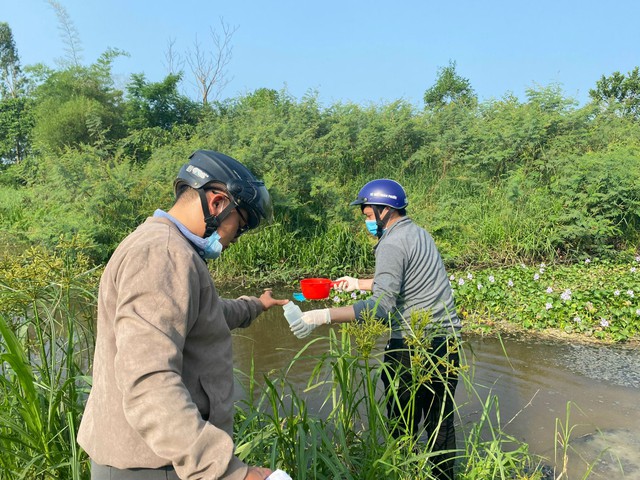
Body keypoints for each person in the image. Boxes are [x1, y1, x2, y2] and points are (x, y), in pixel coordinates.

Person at [78, 150, 288, 480]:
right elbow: (148, 379)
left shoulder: (164, 246)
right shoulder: (162, 253)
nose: (236, 237)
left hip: (151, 458)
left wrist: (257, 305)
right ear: (218, 203)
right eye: (241, 224)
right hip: (153, 465)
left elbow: (207, 314)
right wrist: (227, 471)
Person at [289, 179, 462, 480]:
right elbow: (409, 280)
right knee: (440, 425)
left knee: (400, 424)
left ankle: (402, 473)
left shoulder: (391, 243)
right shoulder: (419, 234)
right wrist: (359, 283)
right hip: (447, 344)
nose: (367, 222)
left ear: (384, 211)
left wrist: (321, 315)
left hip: (412, 347)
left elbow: (380, 309)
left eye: (368, 215)